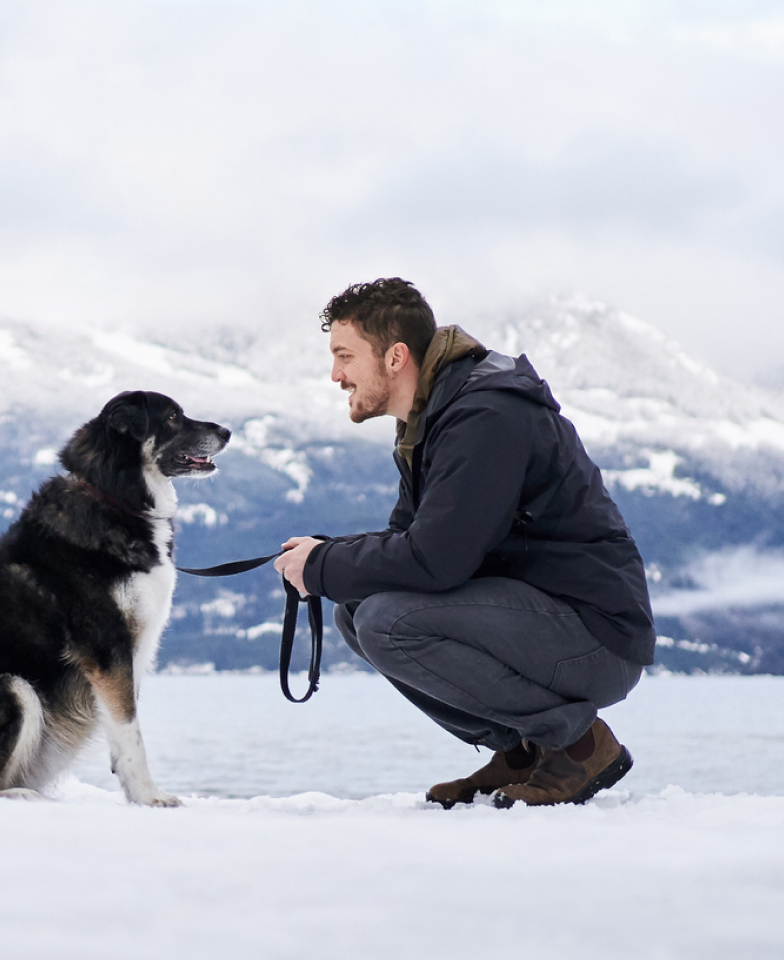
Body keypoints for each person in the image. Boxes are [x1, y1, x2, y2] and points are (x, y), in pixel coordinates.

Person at [273, 278, 655, 808]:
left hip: (596, 637)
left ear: (395, 357)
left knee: (388, 622)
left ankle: (579, 743)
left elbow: (436, 561)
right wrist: (324, 555)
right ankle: (524, 752)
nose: (335, 375)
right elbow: (412, 541)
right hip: (543, 623)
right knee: (355, 608)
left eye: (344, 356)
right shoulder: (433, 417)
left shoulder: (485, 415)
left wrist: (325, 566)